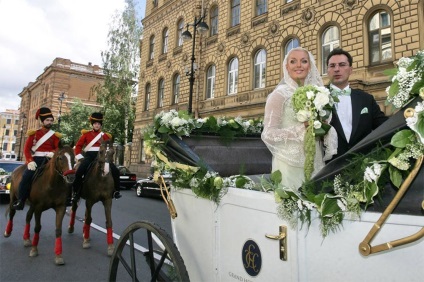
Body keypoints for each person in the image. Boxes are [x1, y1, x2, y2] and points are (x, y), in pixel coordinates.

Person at [261, 47, 337, 189]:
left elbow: (322, 129)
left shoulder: (318, 94)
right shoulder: (278, 95)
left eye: (303, 61)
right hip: (288, 162)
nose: (298, 65)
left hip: (315, 159)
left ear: (310, 66)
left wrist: (322, 128)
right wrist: (300, 130)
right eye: (293, 61)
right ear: (286, 66)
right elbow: (268, 134)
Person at [326, 48, 388, 161]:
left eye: (342, 65)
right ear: (327, 70)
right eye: (332, 66)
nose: (337, 69)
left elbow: (384, 127)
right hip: (328, 168)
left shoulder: (366, 99)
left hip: (362, 165)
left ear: (350, 70)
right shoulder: (317, 98)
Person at [13, 107, 62, 210]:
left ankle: (65, 198)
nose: (50, 122)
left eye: (51, 120)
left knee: (63, 174)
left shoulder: (55, 136)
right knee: (26, 177)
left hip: (50, 159)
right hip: (36, 160)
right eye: (47, 120)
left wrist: (53, 153)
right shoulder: (34, 134)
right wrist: (30, 161)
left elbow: (58, 147)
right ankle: (21, 200)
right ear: (42, 121)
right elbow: (26, 149)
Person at [71, 112, 121, 204]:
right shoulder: (86, 135)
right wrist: (80, 157)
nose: (97, 125)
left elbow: (109, 147)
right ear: (92, 124)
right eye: (95, 124)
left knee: (115, 171)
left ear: (100, 125)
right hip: (89, 156)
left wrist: (109, 157)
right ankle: (76, 193)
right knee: (79, 172)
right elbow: (78, 147)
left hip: (102, 157)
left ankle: (116, 191)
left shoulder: (105, 136)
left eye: (98, 124)